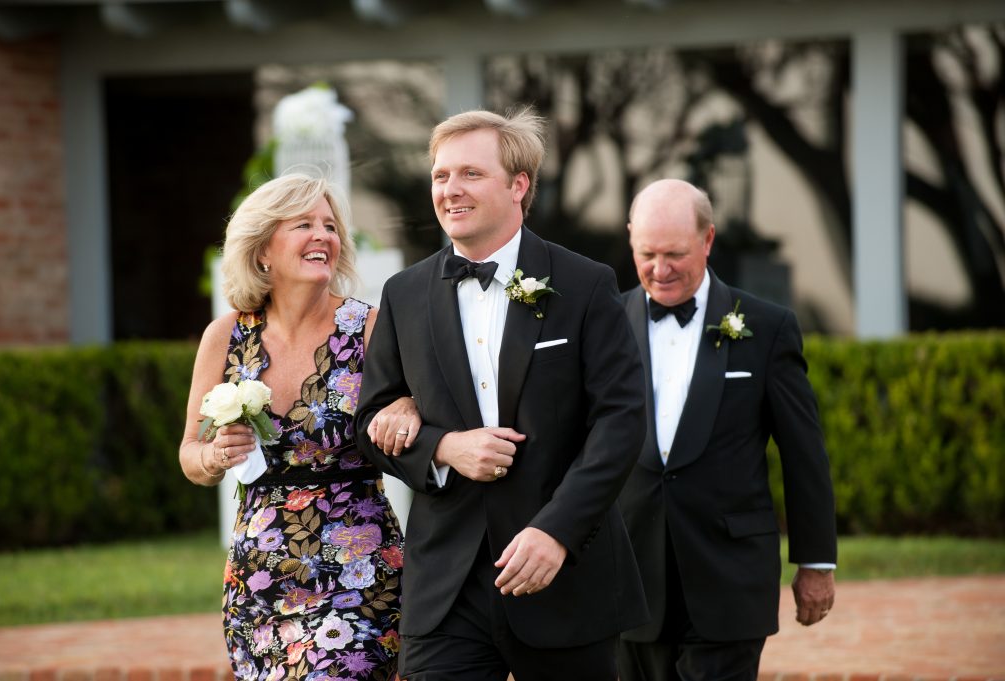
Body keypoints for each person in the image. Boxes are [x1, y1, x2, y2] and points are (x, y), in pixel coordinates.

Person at [352, 108, 649, 681]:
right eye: (440, 176)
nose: (449, 190)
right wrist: (443, 448)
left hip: (565, 573)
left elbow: (621, 420)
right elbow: (372, 422)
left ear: (519, 186)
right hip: (446, 586)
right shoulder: (404, 294)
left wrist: (557, 531)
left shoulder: (585, 284)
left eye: (470, 174)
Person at [179, 172, 416, 681]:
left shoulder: (369, 328)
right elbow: (190, 456)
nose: (323, 237)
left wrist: (409, 409)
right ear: (263, 248)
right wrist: (217, 453)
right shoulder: (225, 336)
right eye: (303, 224)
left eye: (330, 227)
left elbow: (414, 408)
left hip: (358, 563)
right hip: (259, 574)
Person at [617, 178, 838, 681]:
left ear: (708, 240)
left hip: (729, 575)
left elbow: (804, 454)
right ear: (630, 238)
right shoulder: (603, 323)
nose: (660, 268)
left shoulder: (767, 326)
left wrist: (816, 562)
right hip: (628, 576)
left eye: (675, 253)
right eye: (646, 253)